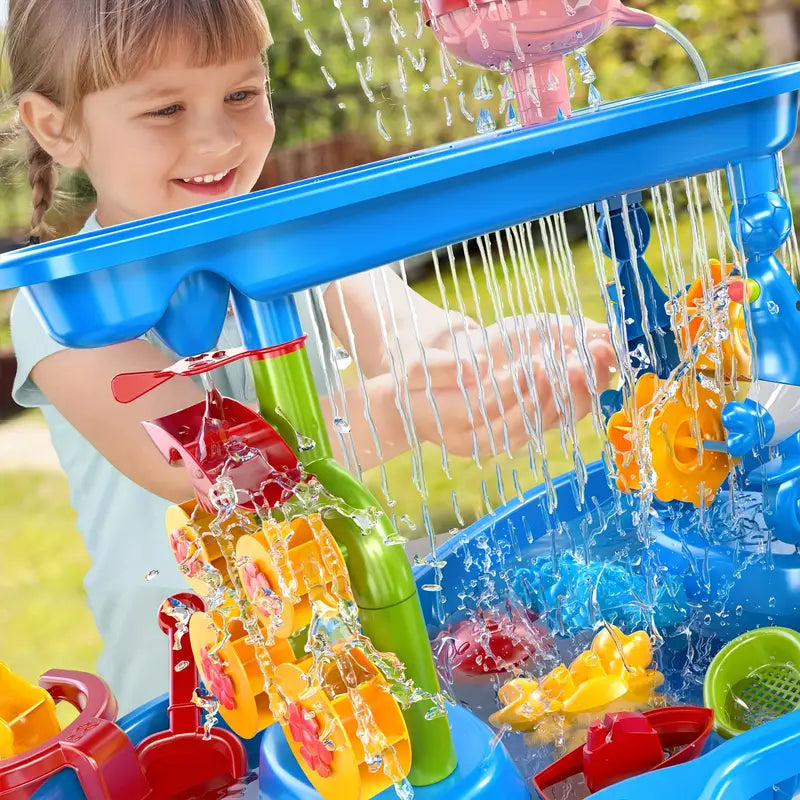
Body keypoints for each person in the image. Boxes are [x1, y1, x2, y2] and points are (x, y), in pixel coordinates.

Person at [5, 0, 616, 714]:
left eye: (241, 94)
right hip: (201, 698)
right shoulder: (61, 310)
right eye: (166, 110)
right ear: (56, 127)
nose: (216, 138)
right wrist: (398, 410)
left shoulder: (297, 247)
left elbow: (424, 344)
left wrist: (513, 355)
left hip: (355, 655)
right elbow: (205, 465)